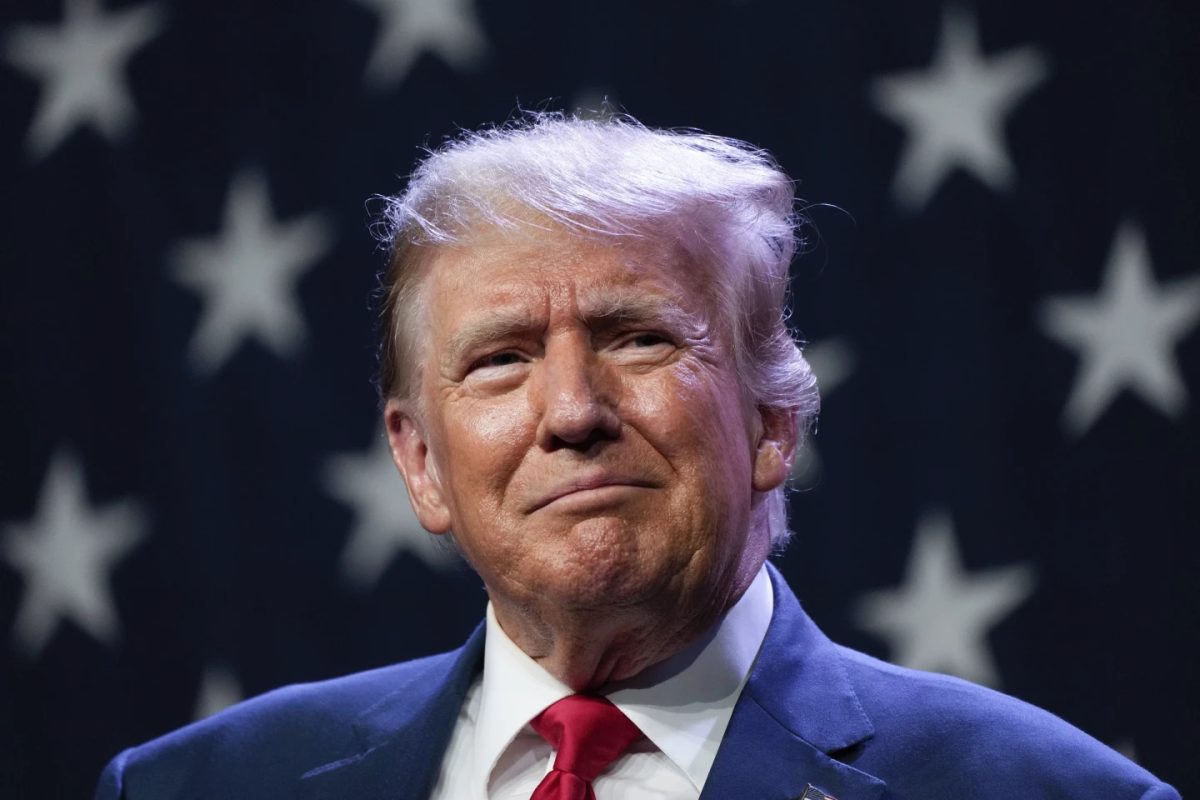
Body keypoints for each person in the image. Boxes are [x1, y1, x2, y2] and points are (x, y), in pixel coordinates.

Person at [96, 114, 1179, 800]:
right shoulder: (198, 784)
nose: (570, 410)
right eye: (502, 359)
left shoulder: (1045, 791)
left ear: (771, 421)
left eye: (639, 337)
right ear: (419, 462)